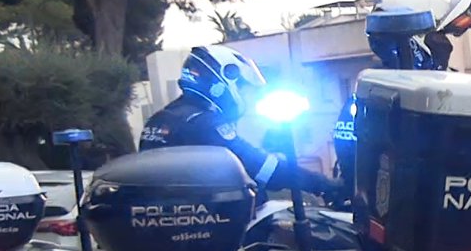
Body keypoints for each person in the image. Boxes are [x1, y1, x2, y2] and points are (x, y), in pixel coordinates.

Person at [140, 44, 342, 200]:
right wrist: (324, 184)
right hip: (214, 227)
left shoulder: (160, 119)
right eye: (242, 88)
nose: (245, 94)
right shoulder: (204, 124)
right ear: (221, 82)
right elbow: (263, 169)